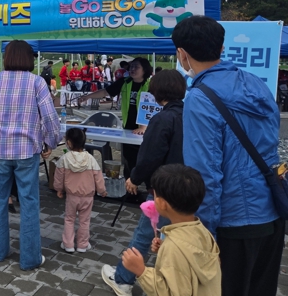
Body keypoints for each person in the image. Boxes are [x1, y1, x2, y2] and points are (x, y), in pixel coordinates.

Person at [172, 15, 284, 296]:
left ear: (182, 54)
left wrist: (204, 237)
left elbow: (203, 176)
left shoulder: (200, 97)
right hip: (272, 212)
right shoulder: (256, 83)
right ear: (222, 48)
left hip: (233, 222)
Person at [101, 70, 187, 295]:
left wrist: (135, 178)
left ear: (157, 92)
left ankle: (123, 279)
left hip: (164, 188)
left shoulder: (162, 119)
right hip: (188, 187)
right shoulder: (191, 115)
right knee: (174, 238)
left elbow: (150, 156)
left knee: (144, 236)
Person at [0, 40, 60, 270]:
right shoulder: (37, 82)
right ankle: (30, 258)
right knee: (29, 203)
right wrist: (50, 142)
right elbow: (50, 118)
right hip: (27, 151)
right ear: (28, 58)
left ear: (7, 58)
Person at [121, 164, 221, 296]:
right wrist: (165, 248)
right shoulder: (202, 231)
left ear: (162, 203)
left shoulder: (174, 247)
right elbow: (190, 265)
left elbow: (170, 292)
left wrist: (141, 271)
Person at [80, 57, 153, 178]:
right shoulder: (125, 82)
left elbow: (154, 106)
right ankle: (130, 185)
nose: (132, 69)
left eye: (136, 67)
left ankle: (148, 186)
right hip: (128, 128)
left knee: (146, 161)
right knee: (129, 160)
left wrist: (144, 127)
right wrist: (88, 97)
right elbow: (105, 92)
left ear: (145, 70)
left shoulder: (151, 85)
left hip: (146, 130)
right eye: (131, 66)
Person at [54, 128, 106, 253]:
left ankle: (68, 244)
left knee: (69, 219)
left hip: (71, 196)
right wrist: (102, 190)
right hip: (88, 196)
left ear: (68, 142)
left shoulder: (64, 159)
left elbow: (58, 177)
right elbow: (98, 177)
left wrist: (59, 189)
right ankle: (83, 245)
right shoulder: (91, 159)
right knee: (85, 221)